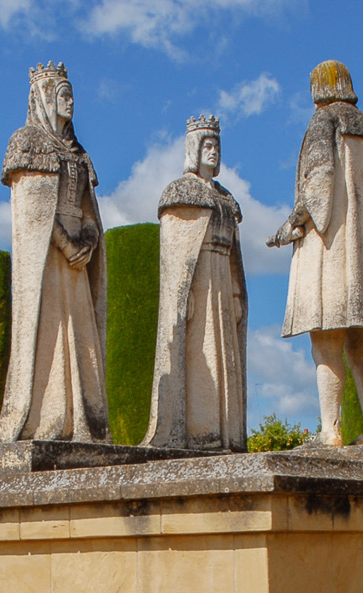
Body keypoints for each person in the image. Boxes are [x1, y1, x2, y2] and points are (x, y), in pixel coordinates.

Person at [268, 60, 363, 447]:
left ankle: (330, 431)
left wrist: (291, 224)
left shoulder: (323, 122)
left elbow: (319, 186)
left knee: (326, 344)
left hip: (330, 253)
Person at [0, 62, 110, 443]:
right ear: (42, 97)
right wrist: (66, 243)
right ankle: (49, 416)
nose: (69, 102)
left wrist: (87, 242)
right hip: (49, 258)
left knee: (82, 336)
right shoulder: (28, 141)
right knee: (50, 330)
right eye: (62, 94)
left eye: (71, 94)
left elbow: (89, 211)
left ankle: (81, 421)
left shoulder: (80, 154)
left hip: (78, 260)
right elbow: (34, 215)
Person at [144, 114, 248, 451]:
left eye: (216, 145)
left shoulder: (227, 199)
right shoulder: (182, 192)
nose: (213, 151)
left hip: (220, 277)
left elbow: (235, 255)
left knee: (225, 359)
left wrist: (235, 292)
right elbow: (175, 255)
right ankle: (202, 433)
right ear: (193, 148)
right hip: (200, 281)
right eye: (207, 144)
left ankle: (227, 434)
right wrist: (181, 293)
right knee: (201, 353)